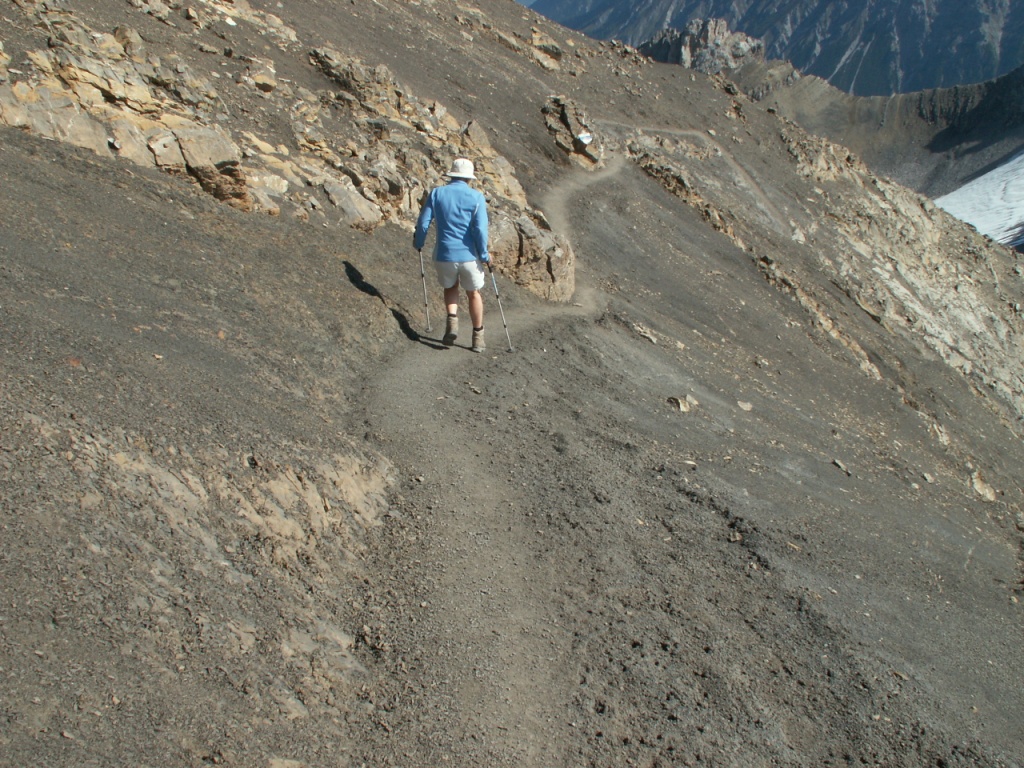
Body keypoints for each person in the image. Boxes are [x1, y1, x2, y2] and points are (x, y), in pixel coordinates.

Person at [413, 158, 489, 353]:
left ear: (452, 175)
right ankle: (477, 338)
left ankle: (452, 322)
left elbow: (423, 223)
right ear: (469, 178)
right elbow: (480, 229)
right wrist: (484, 254)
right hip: (469, 256)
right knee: (473, 293)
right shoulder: (476, 197)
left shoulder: (437, 193)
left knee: (451, 286)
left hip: (444, 254)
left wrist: (419, 242)